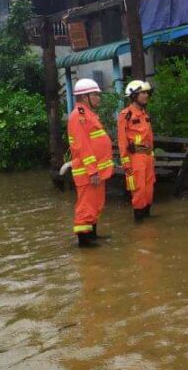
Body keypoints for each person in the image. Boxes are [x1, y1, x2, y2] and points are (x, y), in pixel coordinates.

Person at [67, 78, 114, 247]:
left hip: (96, 171)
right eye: (95, 94)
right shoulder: (78, 116)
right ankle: (84, 242)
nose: (98, 98)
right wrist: (92, 170)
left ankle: (93, 235)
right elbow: (83, 146)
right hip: (88, 172)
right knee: (86, 206)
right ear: (85, 96)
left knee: (96, 204)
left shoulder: (87, 114)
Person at [118, 80, 156, 222]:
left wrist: (152, 155)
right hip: (135, 157)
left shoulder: (144, 114)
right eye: (143, 93)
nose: (146, 95)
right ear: (134, 95)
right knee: (139, 189)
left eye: (147, 93)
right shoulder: (125, 115)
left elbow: (149, 137)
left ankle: (147, 219)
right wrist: (125, 162)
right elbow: (122, 140)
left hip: (147, 156)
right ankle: (139, 221)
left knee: (149, 187)